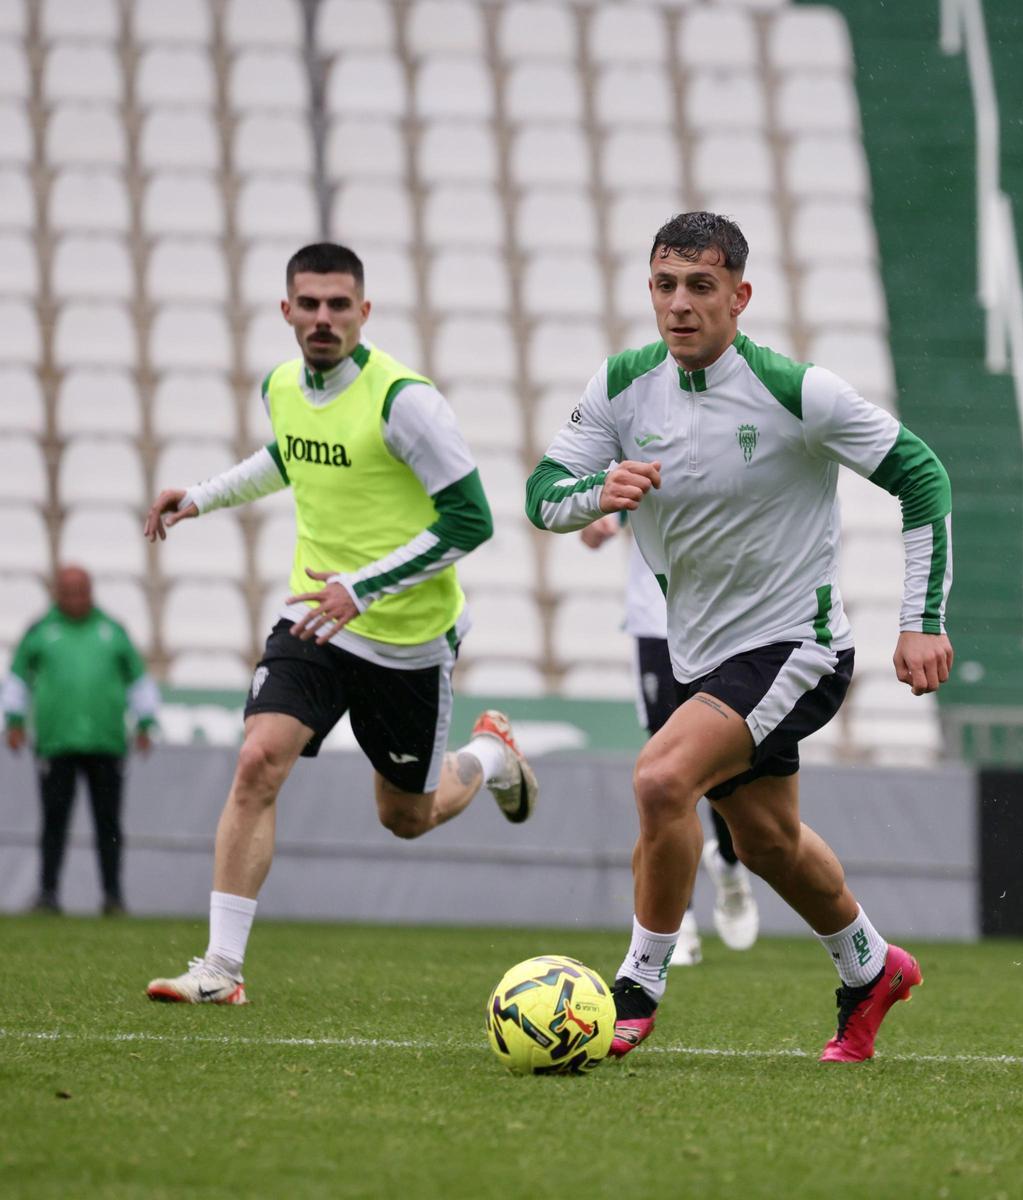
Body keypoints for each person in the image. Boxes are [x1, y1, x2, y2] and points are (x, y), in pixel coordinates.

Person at [526, 212, 953, 1063]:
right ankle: (872, 967)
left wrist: (921, 620)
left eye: (700, 286)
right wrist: (596, 492)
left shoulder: (798, 391)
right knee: (767, 843)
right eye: (664, 285)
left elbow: (922, 476)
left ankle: (636, 989)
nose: (679, 305)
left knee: (659, 779)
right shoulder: (621, 384)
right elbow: (542, 493)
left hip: (800, 645)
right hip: (703, 656)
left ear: (739, 296)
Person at [142, 242, 538, 1005]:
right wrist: (200, 496)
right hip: (315, 621)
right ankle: (221, 971)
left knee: (406, 817)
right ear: (286, 310)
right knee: (258, 760)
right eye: (309, 304)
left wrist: (365, 586)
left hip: (408, 639)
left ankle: (489, 754)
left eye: (339, 304)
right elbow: (291, 457)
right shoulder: (283, 385)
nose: (324, 318)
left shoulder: (405, 401)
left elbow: (473, 519)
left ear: (365, 310)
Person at [580, 515, 760, 964]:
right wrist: (596, 523)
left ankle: (730, 867)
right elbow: (597, 520)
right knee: (667, 773)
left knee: (721, 770)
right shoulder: (645, 449)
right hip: (656, 623)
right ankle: (679, 921)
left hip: (726, 624)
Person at [2, 565, 159, 916]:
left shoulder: (113, 630)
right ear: (57, 593)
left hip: (106, 742)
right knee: (54, 822)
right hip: (56, 743)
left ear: (91, 591)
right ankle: (47, 894)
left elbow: (138, 679)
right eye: (69, 591)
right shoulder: (41, 631)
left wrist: (146, 721)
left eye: (82, 590)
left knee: (109, 824)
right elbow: (16, 677)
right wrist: (13, 720)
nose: (77, 598)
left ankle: (113, 896)